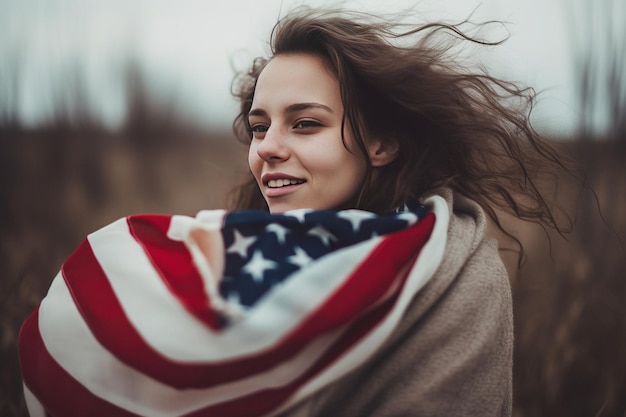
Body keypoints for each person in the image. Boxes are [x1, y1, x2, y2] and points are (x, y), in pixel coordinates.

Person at [19, 7, 573, 417]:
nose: (266, 148)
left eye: (305, 123)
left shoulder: (451, 273)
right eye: (259, 127)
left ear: (381, 142)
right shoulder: (235, 254)